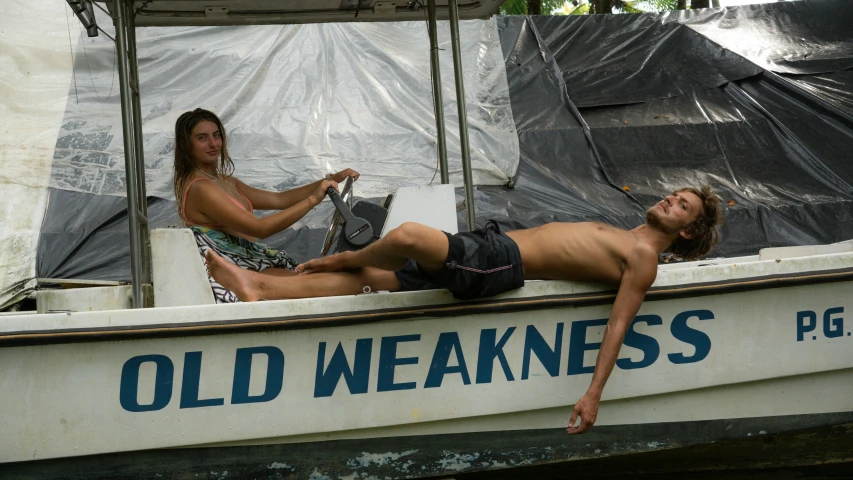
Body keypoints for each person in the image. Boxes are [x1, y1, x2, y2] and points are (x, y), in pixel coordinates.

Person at [205, 185, 723, 433]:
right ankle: (257, 288)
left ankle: (344, 253)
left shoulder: (643, 258)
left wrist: (592, 395)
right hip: (489, 248)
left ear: (687, 231)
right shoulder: (625, 234)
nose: (669, 200)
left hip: (498, 264)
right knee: (366, 280)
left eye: (682, 206)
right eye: (674, 194)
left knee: (405, 236)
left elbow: (619, 321)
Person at [173, 108, 359, 303]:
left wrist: (330, 180)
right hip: (235, 269)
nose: (212, 144)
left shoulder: (226, 181)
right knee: (334, 283)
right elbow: (260, 228)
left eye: (216, 135)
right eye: (202, 138)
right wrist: (313, 200)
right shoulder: (200, 187)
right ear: (186, 145)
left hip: (251, 262)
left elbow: (280, 199)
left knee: (332, 279)